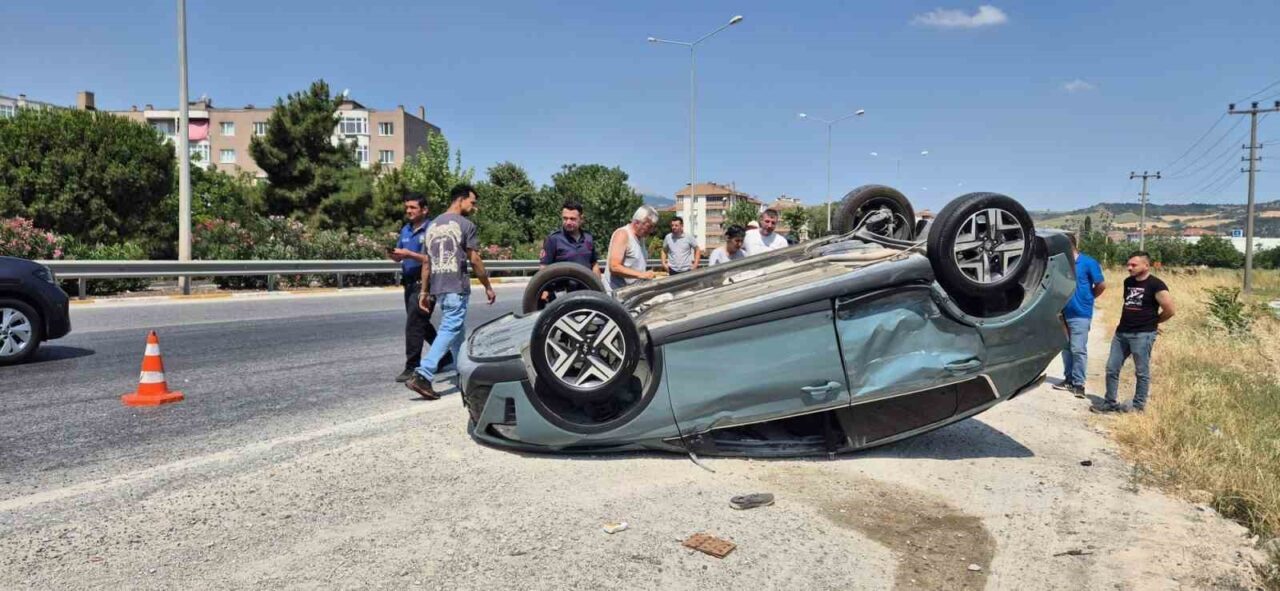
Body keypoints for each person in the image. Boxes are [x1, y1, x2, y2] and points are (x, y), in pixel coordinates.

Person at [405, 184, 497, 400]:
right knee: (450, 328)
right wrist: (487, 286)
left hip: (439, 288)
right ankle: (423, 374)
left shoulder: (432, 225)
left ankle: (463, 373)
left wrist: (424, 293)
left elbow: (427, 263)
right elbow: (474, 259)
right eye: (472, 203)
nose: (473, 207)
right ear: (461, 199)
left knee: (457, 333)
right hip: (456, 286)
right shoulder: (466, 225)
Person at [1092, 251, 1175, 414]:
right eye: (1128, 264)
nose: (1129, 267)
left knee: (1141, 371)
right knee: (1111, 368)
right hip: (1122, 332)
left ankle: (1138, 406)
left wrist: (1154, 322)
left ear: (1146, 265)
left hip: (1143, 334)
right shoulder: (1128, 282)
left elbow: (1170, 310)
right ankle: (1110, 403)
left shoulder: (1156, 285)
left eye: (1134, 265)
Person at [387, 192, 443, 383]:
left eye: (413, 207)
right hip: (409, 282)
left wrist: (409, 254)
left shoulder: (432, 229)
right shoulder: (406, 229)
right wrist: (397, 255)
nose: (408, 211)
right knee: (421, 323)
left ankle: (412, 367)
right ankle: (445, 355)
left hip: (425, 283)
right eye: (407, 207)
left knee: (414, 325)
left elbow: (432, 259)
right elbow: (402, 253)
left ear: (424, 210)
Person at [1053, 233, 1106, 397]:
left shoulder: (1088, 262)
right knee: (1066, 348)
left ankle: (1079, 384)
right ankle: (1068, 379)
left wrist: (1088, 299)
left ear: (1069, 245)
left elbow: (1101, 285)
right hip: (1062, 312)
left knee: (1078, 349)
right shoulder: (1060, 263)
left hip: (1080, 313)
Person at [605, 205, 659, 292]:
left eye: (653, 227)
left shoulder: (641, 238)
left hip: (632, 293)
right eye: (649, 227)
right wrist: (642, 275)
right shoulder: (622, 234)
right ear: (637, 222)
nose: (651, 231)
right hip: (618, 295)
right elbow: (614, 267)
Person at [539, 200, 600, 273]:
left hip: (585, 284)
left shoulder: (588, 238)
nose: (568, 222)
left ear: (581, 219)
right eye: (565, 218)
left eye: (572, 219)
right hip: (562, 283)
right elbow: (544, 270)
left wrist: (597, 283)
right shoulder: (553, 239)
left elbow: (594, 264)